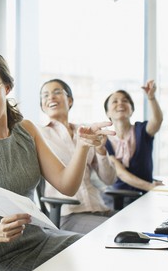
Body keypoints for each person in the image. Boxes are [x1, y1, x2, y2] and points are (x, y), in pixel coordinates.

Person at [0, 50, 114, 271]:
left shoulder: (27, 130)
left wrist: (82, 146)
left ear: (7, 88)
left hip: (42, 241)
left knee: (100, 260)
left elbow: (67, 185)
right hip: (1, 261)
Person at [39, 79, 117, 233]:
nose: (51, 98)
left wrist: (101, 150)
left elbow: (109, 179)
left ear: (70, 100)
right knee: (116, 232)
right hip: (68, 214)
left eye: (57, 92)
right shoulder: (40, 135)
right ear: (42, 105)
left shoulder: (85, 132)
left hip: (99, 207)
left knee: (138, 225)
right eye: (45, 95)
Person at [103, 80, 164, 203]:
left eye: (125, 101)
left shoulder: (141, 130)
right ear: (107, 113)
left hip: (145, 196)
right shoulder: (105, 140)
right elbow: (120, 173)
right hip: (118, 199)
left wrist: (151, 98)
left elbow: (157, 121)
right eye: (115, 101)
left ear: (132, 110)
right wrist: (151, 187)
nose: (120, 103)